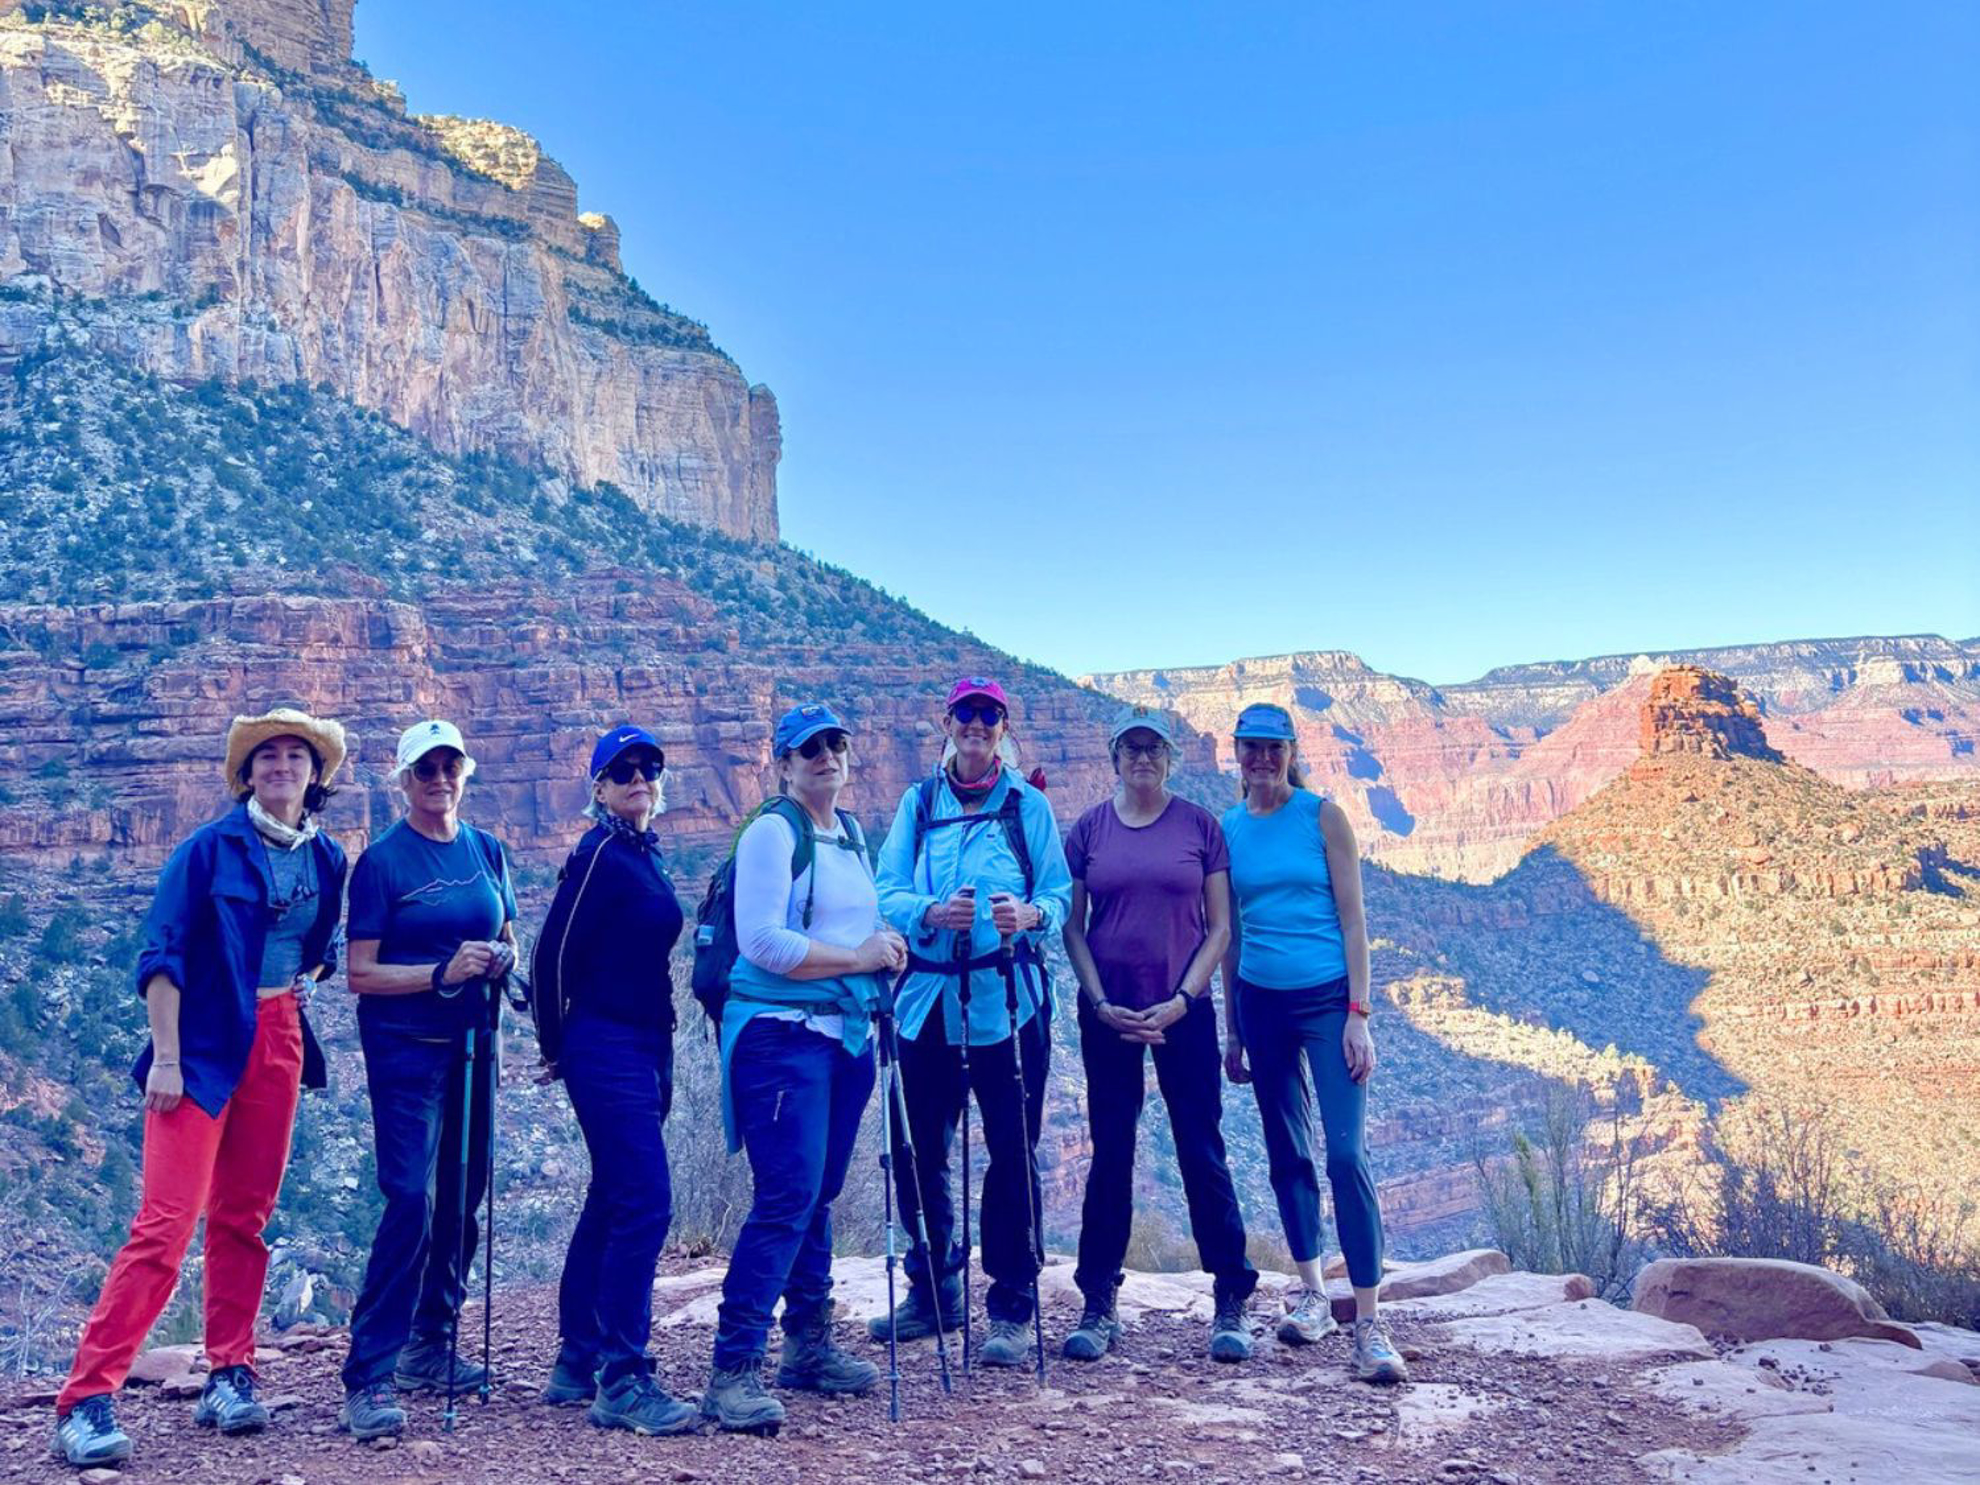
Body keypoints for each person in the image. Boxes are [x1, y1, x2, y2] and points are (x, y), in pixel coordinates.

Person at [54, 708, 350, 1469]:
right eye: (266, 755)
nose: (281, 765)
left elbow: (319, 947)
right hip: (200, 1043)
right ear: (246, 773)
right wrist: (167, 1057)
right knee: (166, 1224)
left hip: (278, 1036)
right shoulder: (206, 850)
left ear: (315, 774)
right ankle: (86, 1397)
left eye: (296, 755)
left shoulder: (327, 858)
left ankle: (229, 1371)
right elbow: (163, 955)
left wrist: (302, 983)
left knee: (244, 1217)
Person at [702, 703, 906, 1434]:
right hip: (780, 1038)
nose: (826, 756)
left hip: (842, 1034)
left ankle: (808, 1344)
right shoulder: (772, 832)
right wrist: (857, 957)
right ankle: (733, 1368)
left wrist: (882, 944)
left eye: (835, 744)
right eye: (809, 748)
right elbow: (762, 941)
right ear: (784, 763)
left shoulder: (848, 832)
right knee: (786, 1195)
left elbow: (848, 925)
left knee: (817, 1192)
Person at [871, 678, 1072, 1366]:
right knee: (917, 1150)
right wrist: (930, 912)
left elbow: (1059, 891)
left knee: (1013, 1149)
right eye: (967, 713)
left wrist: (1031, 914)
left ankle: (1011, 1303)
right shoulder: (919, 802)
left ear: (1003, 726)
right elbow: (887, 888)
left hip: (1008, 999)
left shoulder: (1027, 806)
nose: (977, 724)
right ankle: (934, 1287)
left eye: (989, 714)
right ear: (948, 721)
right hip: (928, 1001)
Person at [338, 720, 520, 1440]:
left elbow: (508, 933)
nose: (440, 779)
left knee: (462, 1200)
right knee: (411, 1199)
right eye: (426, 769)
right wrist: (441, 972)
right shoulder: (381, 862)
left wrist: (504, 958)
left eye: (451, 766)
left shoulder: (488, 849)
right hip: (406, 1053)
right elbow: (359, 973)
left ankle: (430, 1343)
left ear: (465, 772)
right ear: (404, 780)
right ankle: (368, 1374)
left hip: (475, 1046)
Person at [1060, 704, 1256, 1363]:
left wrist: (1182, 1000)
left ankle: (1231, 1298)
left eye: (1154, 748)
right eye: (1132, 748)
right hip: (1109, 1013)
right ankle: (1098, 1301)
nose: (1143, 758)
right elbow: (1072, 925)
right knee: (1111, 1152)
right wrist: (1098, 1000)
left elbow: (1221, 928)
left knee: (1201, 1148)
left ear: (1170, 758)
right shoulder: (1089, 829)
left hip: (1183, 1012)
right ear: (1114, 757)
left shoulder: (1200, 826)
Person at [1219, 703, 1407, 1383]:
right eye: (1251, 747)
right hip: (1261, 1001)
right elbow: (1230, 934)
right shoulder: (1228, 829)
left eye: (1274, 747)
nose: (1262, 759)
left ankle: (1371, 1322)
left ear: (1292, 752)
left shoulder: (1323, 816)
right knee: (1286, 1151)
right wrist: (1232, 1027)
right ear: (1236, 753)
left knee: (1346, 1155)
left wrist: (1360, 1013)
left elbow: (1354, 920)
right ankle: (1312, 1293)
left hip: (1329, 1000)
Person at [530, 726, 698, 1436]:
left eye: (648, 768)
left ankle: (578, 1358)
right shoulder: (598, 853)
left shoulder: (640, 851)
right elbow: (549, 957)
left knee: (611, 1195)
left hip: (645, 1043)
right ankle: (624, 1378)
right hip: (604, 1045)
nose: (639, 779)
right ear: (598, 787)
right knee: (646, 1202)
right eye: (623, 770)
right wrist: (555, 1046)